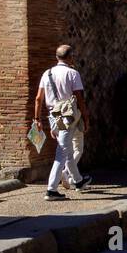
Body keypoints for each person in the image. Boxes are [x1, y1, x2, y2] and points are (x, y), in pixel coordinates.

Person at [34, 44, 91, 200]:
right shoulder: (73, 73)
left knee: (68, 151)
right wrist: (86, 118)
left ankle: (78, 181)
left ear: (57, 57)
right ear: (70, 57)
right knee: (62, 153)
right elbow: (80, 98)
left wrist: (37, 119)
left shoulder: (47, 73)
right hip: (69, 117)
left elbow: (39, 98)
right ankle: (51, 190)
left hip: (53, 116)